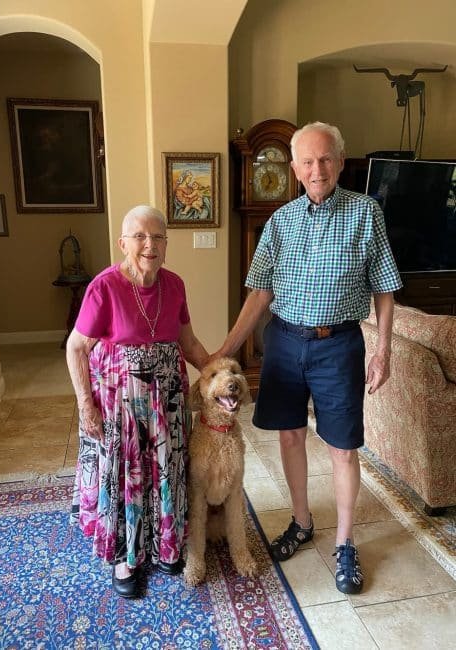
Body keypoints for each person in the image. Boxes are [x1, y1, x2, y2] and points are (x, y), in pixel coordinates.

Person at [212, 122, 402, 595]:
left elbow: (384, 288)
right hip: (284, 342)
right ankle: (301, 522)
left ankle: (345, 544)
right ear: (295, 169)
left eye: (326, 159)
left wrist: (383, 351)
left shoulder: (366, 213)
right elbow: (260, 293)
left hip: (339, 345)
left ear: (340, 161)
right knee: (291, 435)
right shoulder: (280, 221)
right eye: (308, 162)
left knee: (343, 447)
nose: (318, 169)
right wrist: (224, 352)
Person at [66, 205, 208, 598]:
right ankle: (124, 557)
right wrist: (86, 405)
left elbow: (189, 343)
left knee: (166, 468)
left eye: (158, 237)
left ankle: (165, 544)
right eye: (140, 236)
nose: (150, 244)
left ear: (166, 244)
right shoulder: (104, 286)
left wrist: (219, 373)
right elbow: (76, 348)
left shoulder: (174, 285)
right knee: (126, 473)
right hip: (119, 407)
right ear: (123, 243)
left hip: (168, 404)